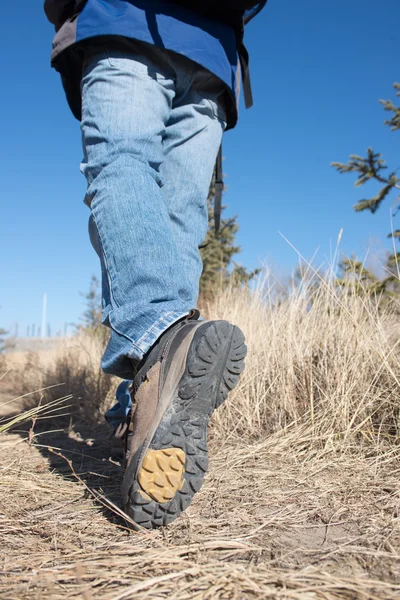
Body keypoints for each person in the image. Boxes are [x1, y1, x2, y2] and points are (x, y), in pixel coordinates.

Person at [44, 0, 265, 529]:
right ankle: (136, 413)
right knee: (179, 219)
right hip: (213, 57)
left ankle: (160, 340)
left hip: (125, 20)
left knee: (121, 164)